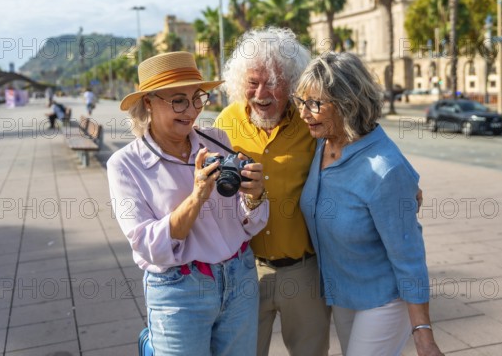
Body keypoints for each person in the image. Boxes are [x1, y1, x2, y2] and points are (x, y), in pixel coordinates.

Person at [107, 51, 270, 356]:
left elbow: (248, 222)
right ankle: (152, 342)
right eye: (178, 100)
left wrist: (255, 194)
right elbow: (147, 245)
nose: (192, 111)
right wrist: (196, 197)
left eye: (198, 98)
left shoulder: (217, 139)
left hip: (239, 276)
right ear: (148, 102)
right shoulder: (125, 164)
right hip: (178, 290)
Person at [295, 52, 443, 356]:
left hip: (384, 300)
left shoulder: (385, 170)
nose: (304, 114)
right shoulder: (322, 143)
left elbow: (409, 256)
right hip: (343, 294)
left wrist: (423, 335)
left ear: (347, 103)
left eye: (315, 104)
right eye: (302, 102)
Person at [214, 27, 332, 356]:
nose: (262, 92)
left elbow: (353, 142)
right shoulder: (226, 122)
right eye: (253, 82)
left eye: (275, 81)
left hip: (305, 270)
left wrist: (401, 183)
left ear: (292, 82)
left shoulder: (310, 122)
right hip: (246, 272)